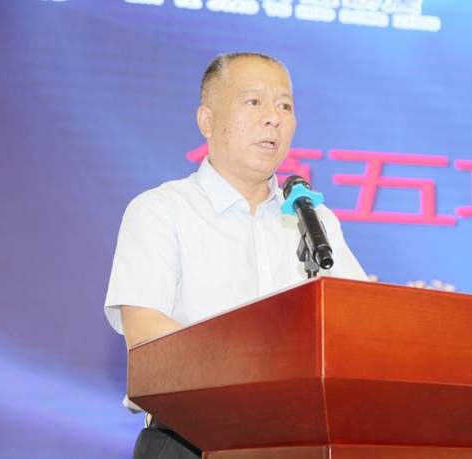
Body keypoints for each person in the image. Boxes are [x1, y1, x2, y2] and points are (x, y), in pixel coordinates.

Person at [104, 52, 368, 459]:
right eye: (253, 101)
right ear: (207, 121)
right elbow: (148, 339)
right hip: (188, 440)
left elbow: (359, 328)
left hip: (297, 443)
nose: (274, 118)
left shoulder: (314, 220)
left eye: (285, 106)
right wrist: (262, 366)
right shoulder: (161, 210)